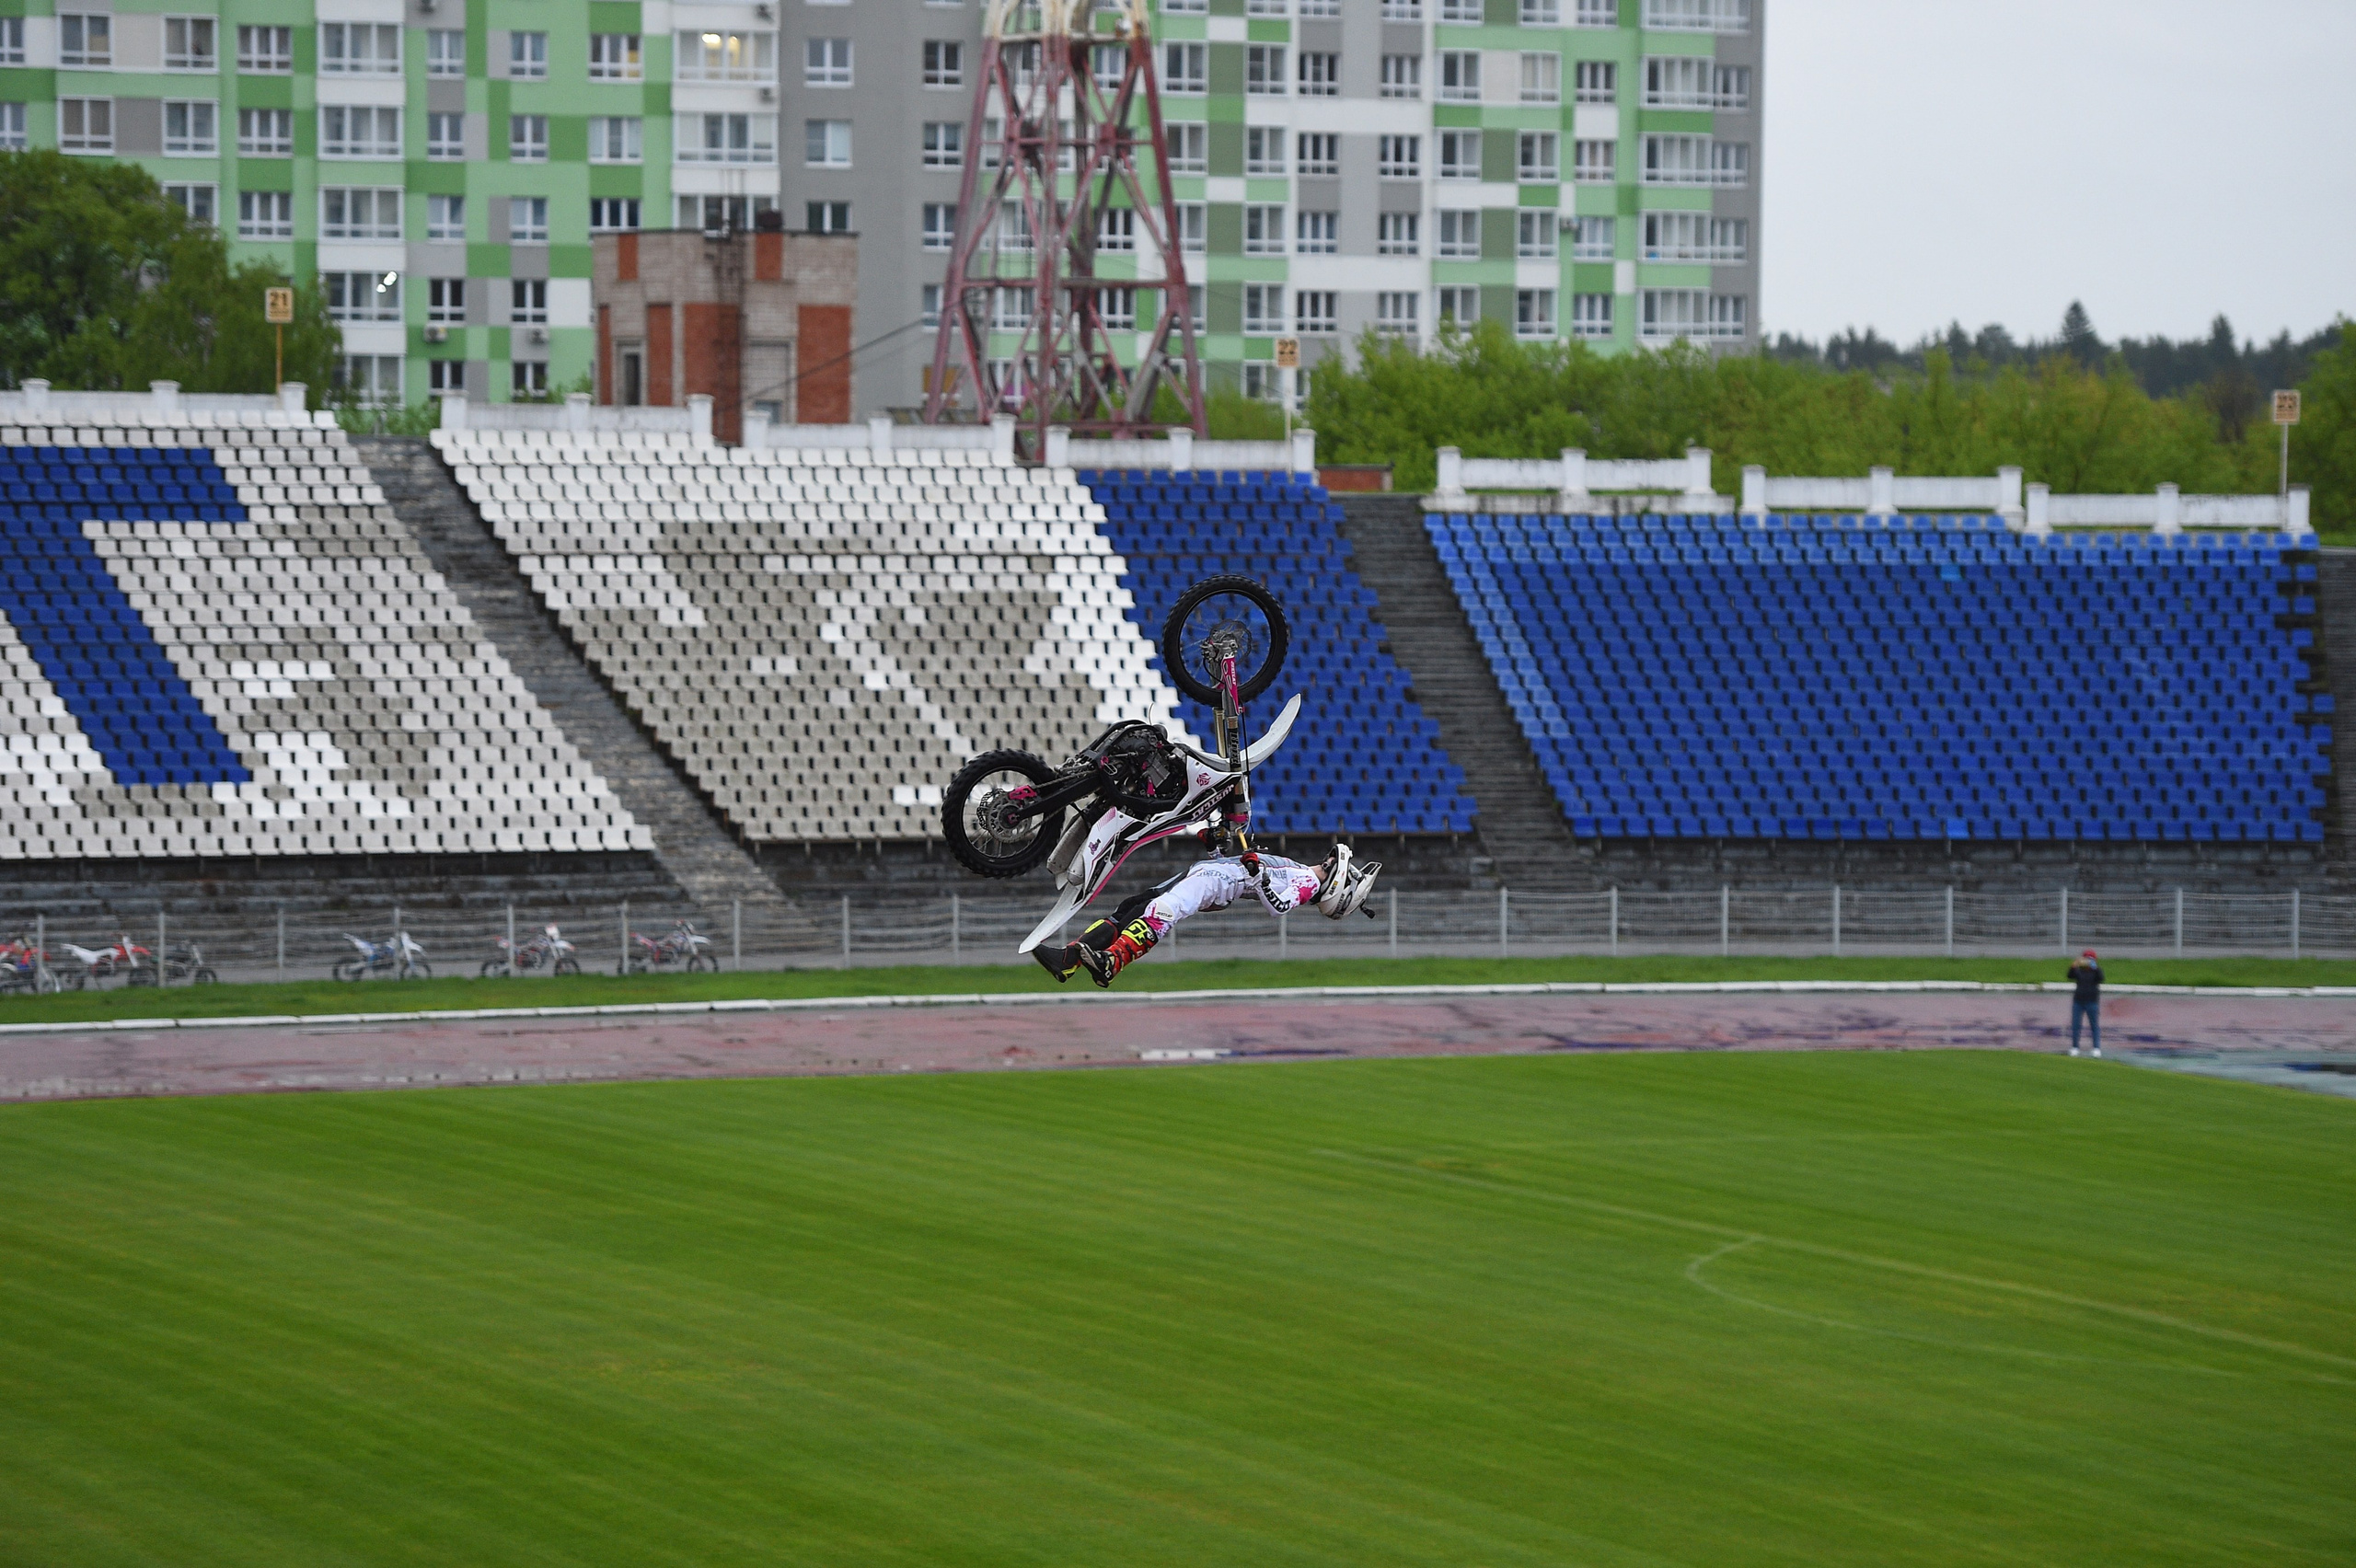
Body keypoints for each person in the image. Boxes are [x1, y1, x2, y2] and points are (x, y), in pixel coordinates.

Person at [1034, 842, 1381, 988]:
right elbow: (1252, 873)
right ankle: (1068, 959)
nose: (1338, 864)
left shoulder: (1307, 883)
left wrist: (1256, 874)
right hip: (1211, 873)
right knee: (1132, 907)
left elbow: (1277, 907)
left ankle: (1112, 962)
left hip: (1216, 883)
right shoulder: (1302, 872)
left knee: (1159, 912)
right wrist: (1221, 850)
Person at [2066, 948, 2103, 1056]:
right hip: (2078, 1002)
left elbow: (2101, 978)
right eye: (2086, 958)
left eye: (2090, 959)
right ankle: (2075, 1047)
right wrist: (2074, 965)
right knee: (2076, 1025)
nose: (2088, 961)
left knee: (2094, 1025)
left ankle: (2096, 1048)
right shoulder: (2079, 971)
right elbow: (2069, 976)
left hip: (2092, 1002)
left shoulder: (2096, 971)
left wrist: (2095, 968)